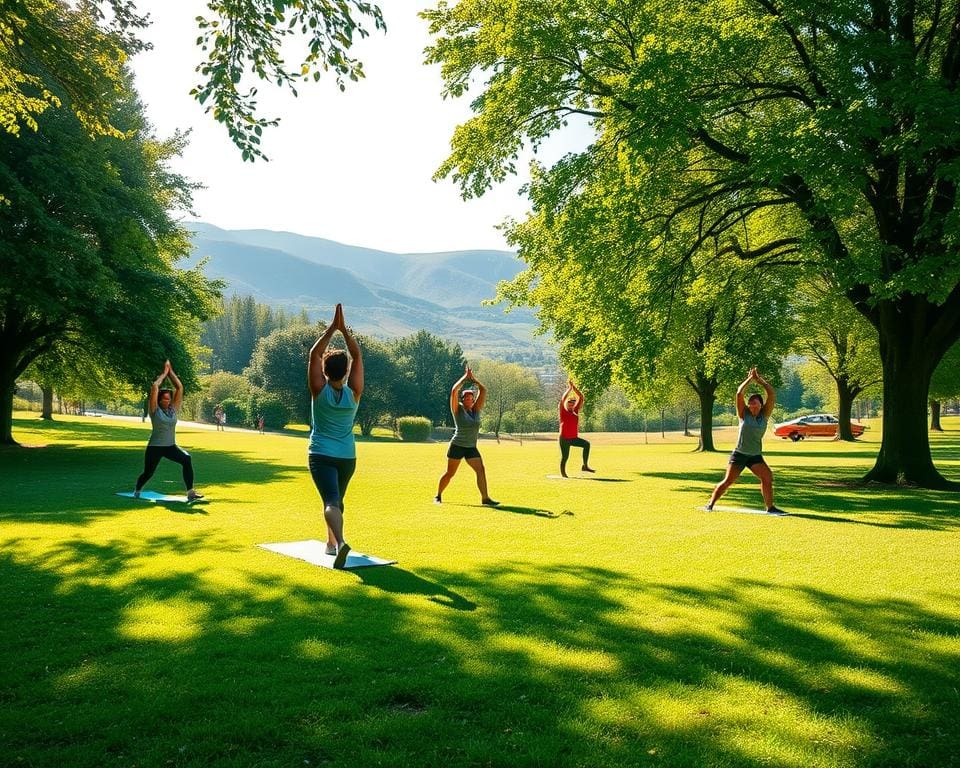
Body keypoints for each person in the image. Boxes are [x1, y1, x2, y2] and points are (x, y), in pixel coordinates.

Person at [308, 303, 363, 568]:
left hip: (321, 454)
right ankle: (331, 544)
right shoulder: (354, 394)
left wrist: (332, 329)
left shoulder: (319, 390)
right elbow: (358, 356)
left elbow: (313, 354)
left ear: (325, 370)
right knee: (337, 501)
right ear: (346, 371)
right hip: (347, 457)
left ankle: (340, 543)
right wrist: (346, 332)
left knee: (330, 501)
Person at [706, 368, 787, 515]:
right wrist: (750, 379)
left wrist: (760, 380)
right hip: (740, 454)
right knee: (728, 481)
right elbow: (739, 393)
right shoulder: (744, 414)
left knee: (767, 477)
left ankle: (770, 507)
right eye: (750, 403)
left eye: (754, 403)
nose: (751, 405)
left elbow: (771, 394)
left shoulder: (764, 415)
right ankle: (710, 504)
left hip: (755, 455)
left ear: (761, 405)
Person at [134, 360, 203, 501]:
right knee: (148, 473)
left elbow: (179, 388)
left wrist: (171, 372)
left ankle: (190, 493)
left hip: (170, 446)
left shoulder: (173, 410)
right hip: (155, 447)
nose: (167, 401)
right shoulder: (154, 411)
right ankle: (137, 490)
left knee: (186, 458)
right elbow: (154, 387)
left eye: (168, 399)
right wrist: (164, 374)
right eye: (164, 399)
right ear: (159, 400)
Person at [435, 367, 499, 506]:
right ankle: (438, 495)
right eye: (467, 398)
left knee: (481, 469)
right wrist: (465, 378)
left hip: (471, 447)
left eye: (471, 398)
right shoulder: (457, 409)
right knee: (450, 473)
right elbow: (454, 391)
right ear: (463, 400)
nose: (469, 399)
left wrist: (474, 379)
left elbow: (484, 390)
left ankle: (485, 498)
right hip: (457, 445)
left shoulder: (476, 410)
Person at [558, 379, 594, 477]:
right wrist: (570, 388)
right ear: (567, 403)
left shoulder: (575, 411)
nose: (571, 404)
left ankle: (585, 466)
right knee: (565, 457)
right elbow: (563, 399)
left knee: (586, 444)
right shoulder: (563, 411)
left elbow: (581, 397)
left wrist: (575, 388)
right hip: (564, 439)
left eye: (573, 403)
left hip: (573, 438)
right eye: (569, 403)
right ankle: (563, 474)